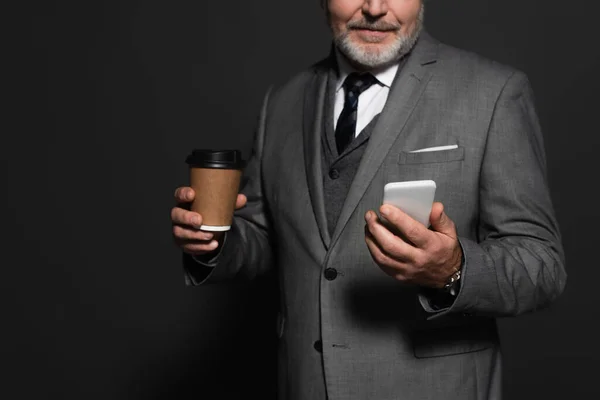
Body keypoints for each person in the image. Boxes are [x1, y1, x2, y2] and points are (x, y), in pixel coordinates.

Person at [170, 0, 567, 398]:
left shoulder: (494, 92)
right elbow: (266, 235)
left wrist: (453, 270)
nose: (375, 8)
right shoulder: (283, 102)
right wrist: (213, 242)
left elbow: (541, 264)